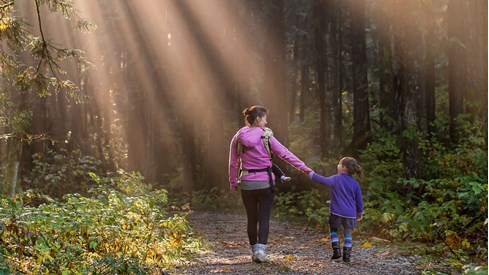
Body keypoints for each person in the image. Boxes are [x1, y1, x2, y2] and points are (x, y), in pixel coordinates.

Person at [228, 105, 312, 263]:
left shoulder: (238, 136)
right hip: (265, 183)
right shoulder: (266, 136)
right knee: (264, 217)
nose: (266, 122)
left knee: (252, 218)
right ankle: (261, 251)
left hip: (247, 183)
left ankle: (254, 251)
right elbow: (285, 154)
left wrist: (233, 182)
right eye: (265, 118)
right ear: (258, 119)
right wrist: (305, 169)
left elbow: (233, 162)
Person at [308, 157, 364, 262]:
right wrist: (359, 213)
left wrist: (311, 174)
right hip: (350, 214)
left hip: (336, 212)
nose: (337, 165)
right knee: (348, 233)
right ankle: (347, 255)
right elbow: (359, 200)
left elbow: (323, 180)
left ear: (343, 168)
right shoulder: (355, 184)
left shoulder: (336, 178)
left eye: (339, 164)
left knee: (333, 229)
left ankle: (336, 250)